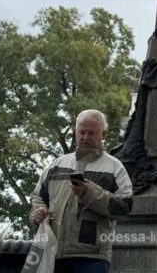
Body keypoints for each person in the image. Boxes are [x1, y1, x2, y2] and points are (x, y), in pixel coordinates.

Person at [30, 109, 133, 273]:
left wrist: (89, 193)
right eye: (81, 132)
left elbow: (124, 207)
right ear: (75, 132)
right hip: (53, 252)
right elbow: (37, 197)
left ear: (104, 134)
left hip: (91, 257)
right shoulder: (57, 164)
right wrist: (37, 212)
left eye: (91, 133)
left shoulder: (115, 167)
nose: (85, 137)